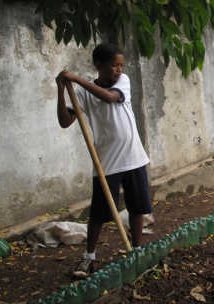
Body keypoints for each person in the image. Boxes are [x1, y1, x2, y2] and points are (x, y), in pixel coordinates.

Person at [55, 43, 152, 278]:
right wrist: (61, 89)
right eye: (114, 65)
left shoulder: (123, 82)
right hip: (106, 162)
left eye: (121, 65)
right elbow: (65, 121)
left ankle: (136, 250)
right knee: (98, 214)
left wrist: (76, 79)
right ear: (99, 66)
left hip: (133, 156)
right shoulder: (81, 93)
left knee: (137, 207)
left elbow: (110, 98)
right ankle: (89, 258)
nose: (119, 69)